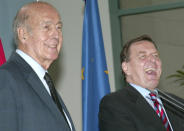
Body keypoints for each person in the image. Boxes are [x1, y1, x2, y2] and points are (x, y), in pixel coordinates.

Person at [0, 1, 75, 131]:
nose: (56, 35)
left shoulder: (44, 82)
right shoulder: (6, 78)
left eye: (59, 27)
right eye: (47, 27)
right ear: (23, 34)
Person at [99, 35, 184, 131]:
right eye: (143, 56)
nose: (153, 60)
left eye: (155, 55)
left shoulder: (178, 104)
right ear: (126, 68)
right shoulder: (114, 104)